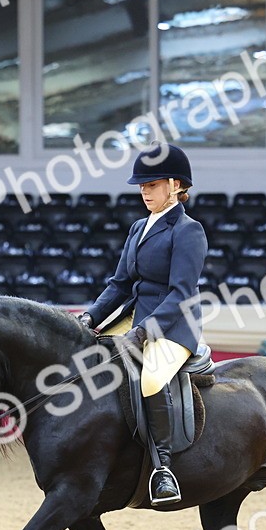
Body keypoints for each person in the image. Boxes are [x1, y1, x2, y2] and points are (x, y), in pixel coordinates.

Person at [77, 143, 207, 506]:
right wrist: (90, 318)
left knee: (150, 377)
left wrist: (144, 331)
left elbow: (181, 293)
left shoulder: (188, 230)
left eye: (151, 185)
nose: (144, 192)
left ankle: (163, 469)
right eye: (142, 186)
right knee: (88, 354)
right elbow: (119, 284)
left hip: (174, 324)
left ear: (176, 185)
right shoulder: (138, 227)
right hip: (134, 315)